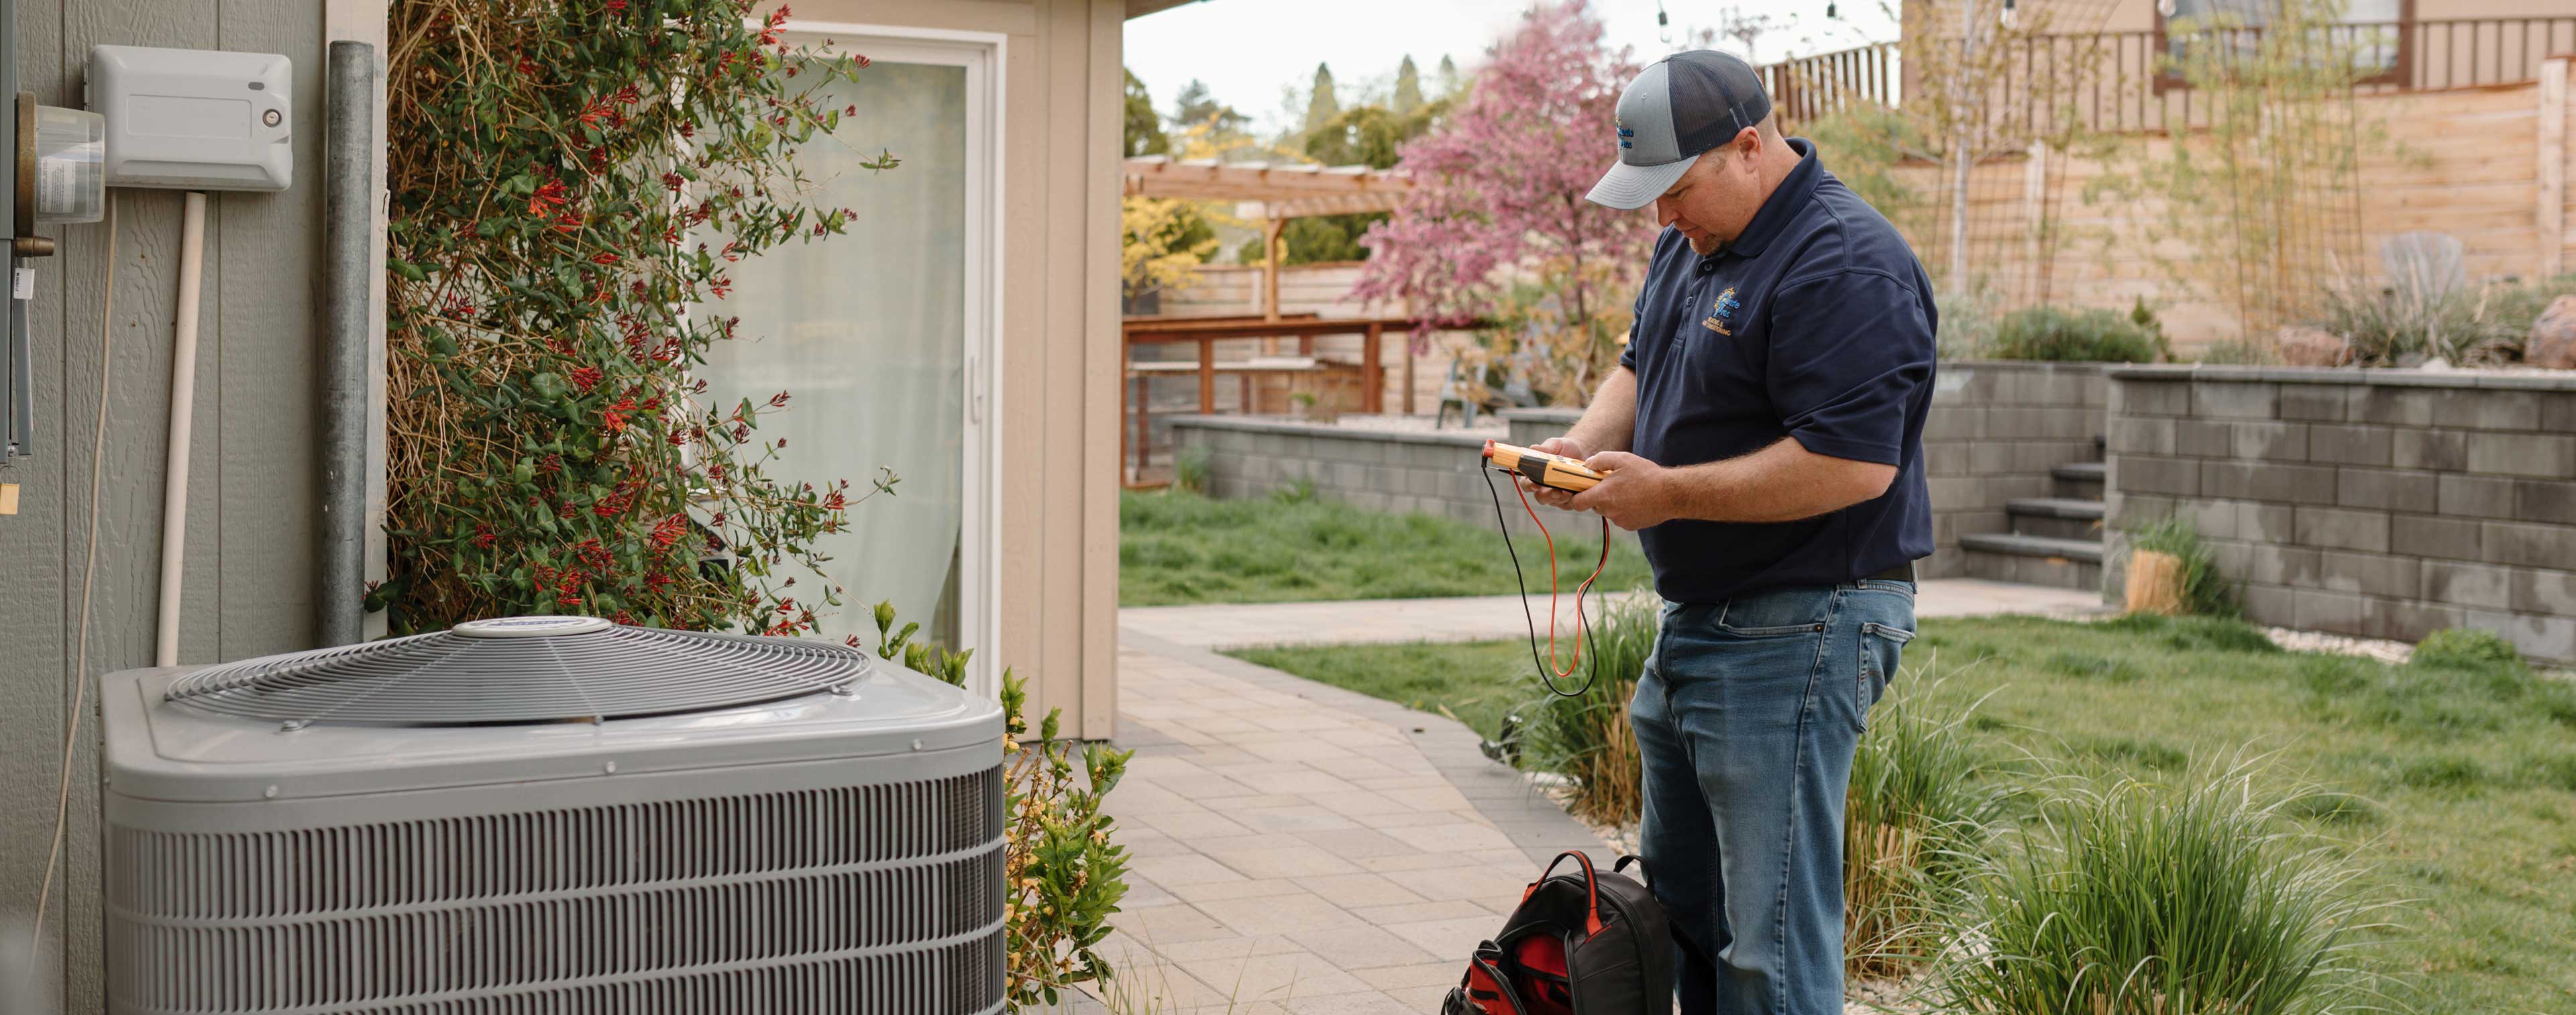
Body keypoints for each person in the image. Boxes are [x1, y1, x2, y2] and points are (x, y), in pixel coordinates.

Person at [1525, 50, 1937, 1015]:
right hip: (1702, 619)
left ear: (1749, 147)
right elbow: (1638, 365)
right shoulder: (1696, 240)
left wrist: (1667, 494)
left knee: (1767, 948)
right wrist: (1580, 447)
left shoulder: (1845, 260)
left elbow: (1852, 464)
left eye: (1675, 190)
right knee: (1685, 922)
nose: (1661, 217)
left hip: (1802, 621)